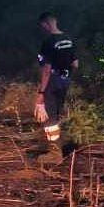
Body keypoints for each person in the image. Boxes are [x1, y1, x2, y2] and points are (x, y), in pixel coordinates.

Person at [34, 11, 78, 162]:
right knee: (56, 114)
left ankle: (54, 153)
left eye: (42, 26)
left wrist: (41, 93)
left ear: (45, 24)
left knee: (49, 116)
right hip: (65, 80)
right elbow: (75, 64)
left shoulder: (48, 42)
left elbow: (46, 70)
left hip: (52, 82)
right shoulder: (68, 39)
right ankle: (57, 145)